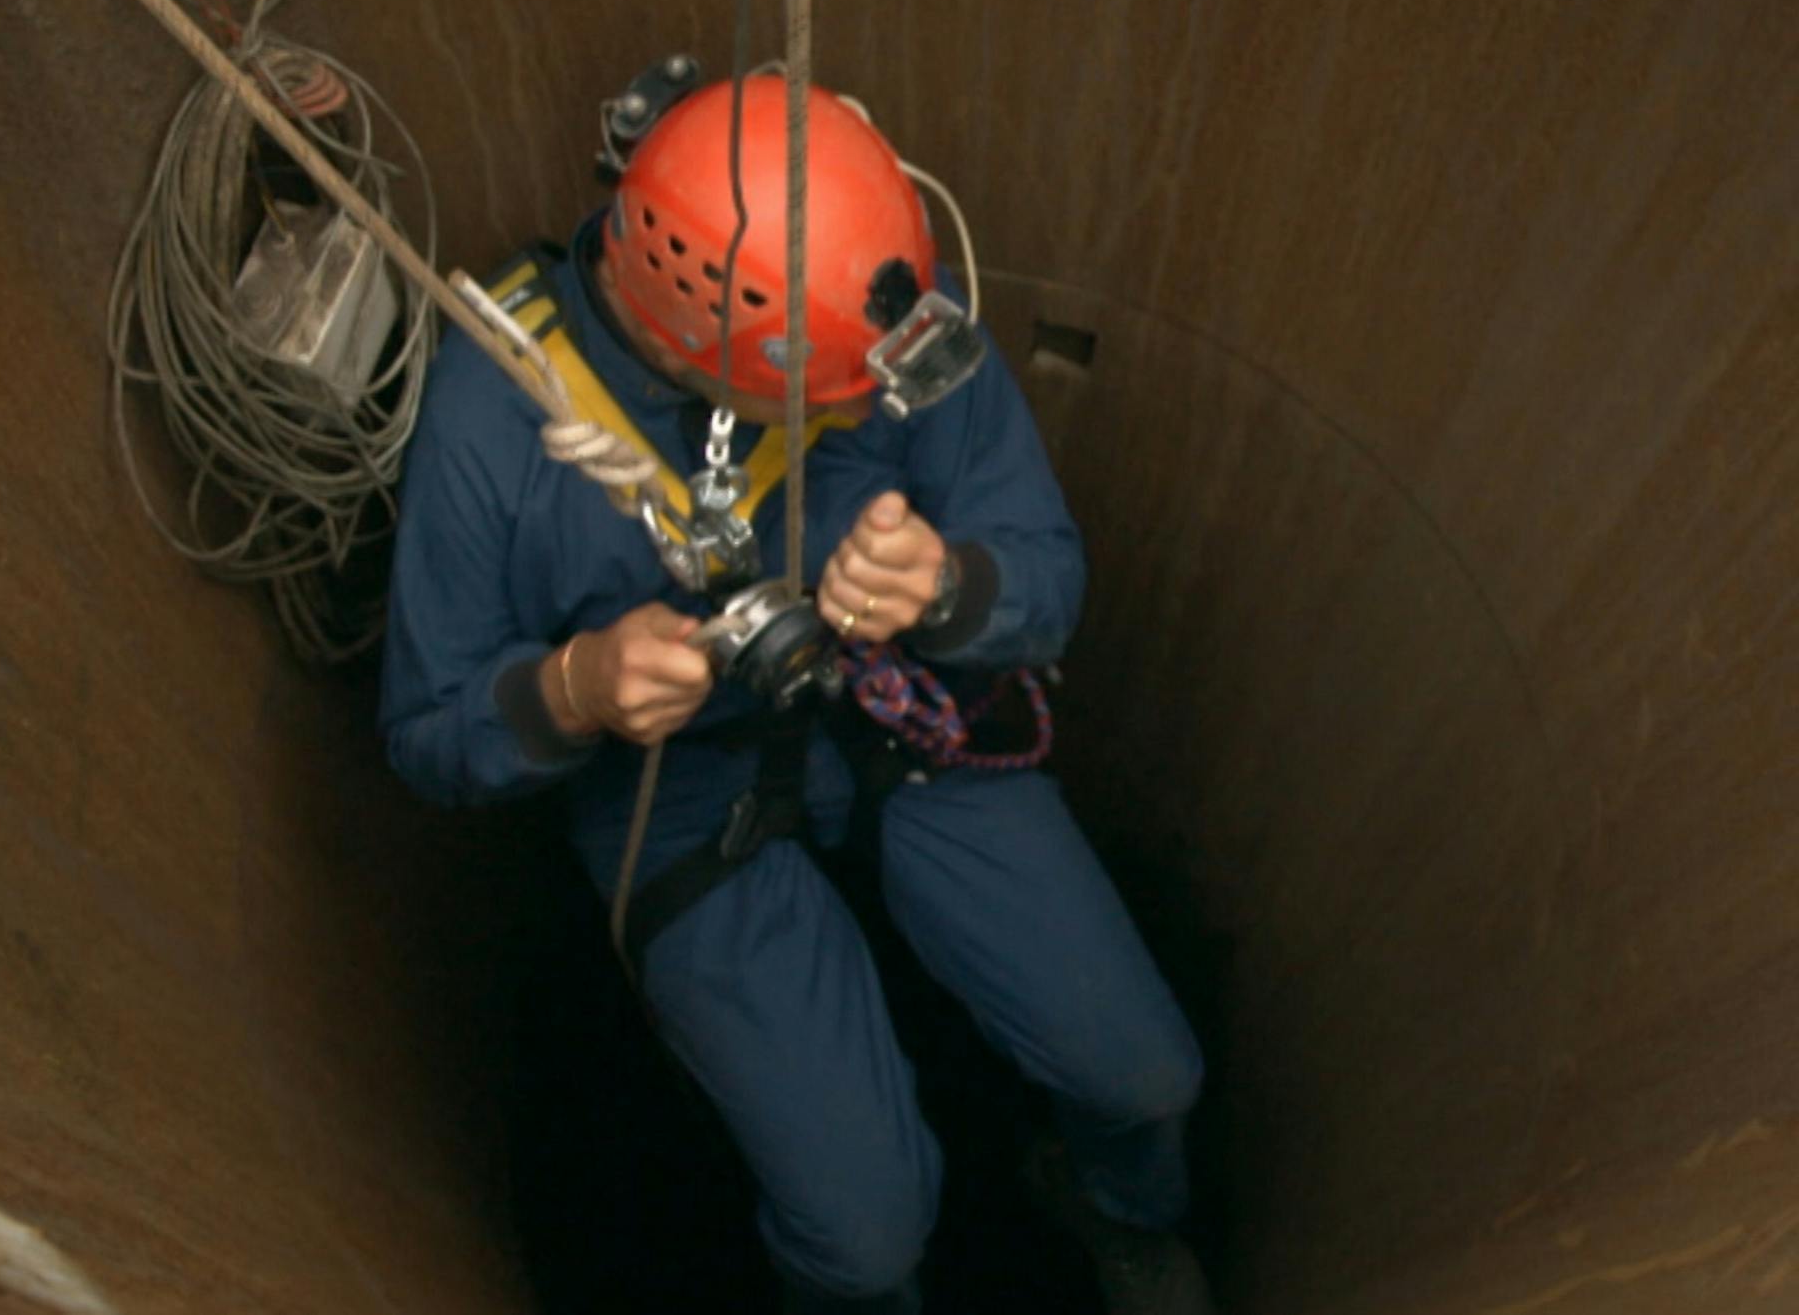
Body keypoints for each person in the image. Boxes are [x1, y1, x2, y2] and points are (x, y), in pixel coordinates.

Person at [380, 73, 1213, 1314]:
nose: (874, 397)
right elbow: (427, 732)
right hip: (672, 777)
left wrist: (947, 589)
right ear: (713, 350)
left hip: (891, 701)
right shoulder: (495, 413)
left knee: (1146, 1074)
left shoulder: (881, 314)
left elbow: (1045, 568)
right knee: (866, 1234)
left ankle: (1113, 1201)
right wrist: (573, 690)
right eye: (832, 398)